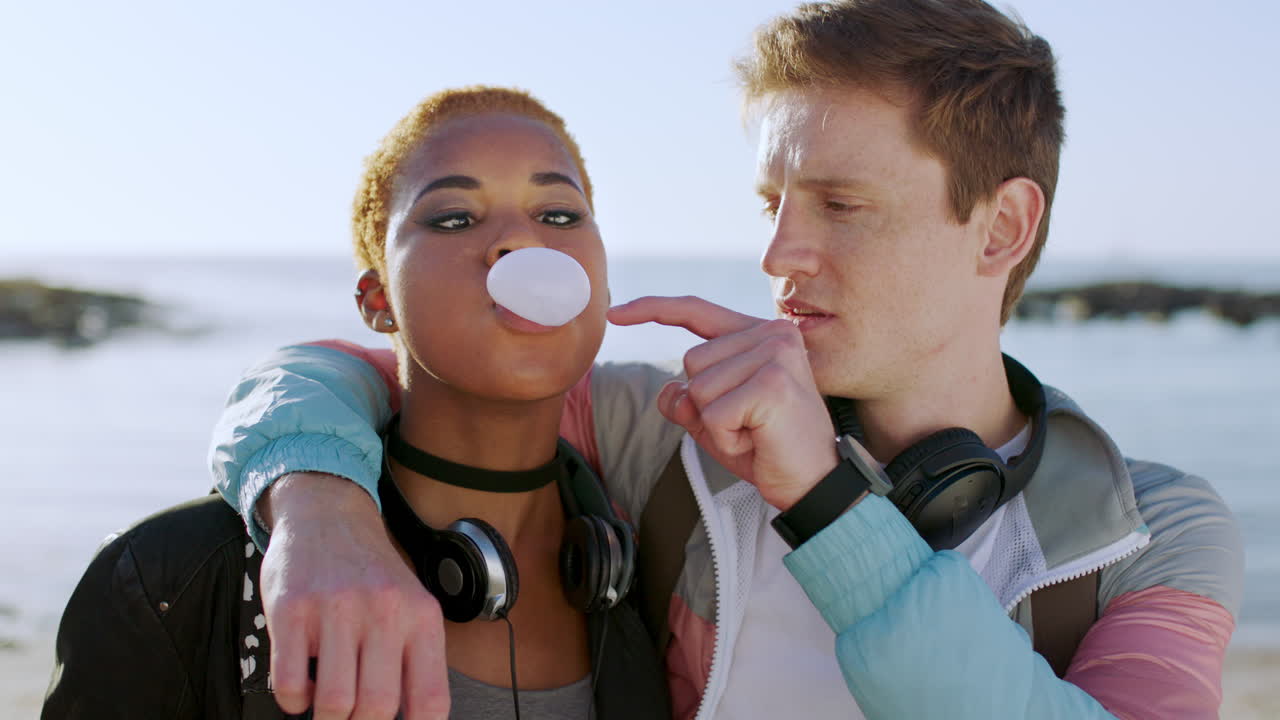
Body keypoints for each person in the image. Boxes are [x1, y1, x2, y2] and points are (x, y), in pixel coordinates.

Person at [206, 1, 1245, 718]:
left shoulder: (1146, 533)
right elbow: (348, 375)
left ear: (1000, 228)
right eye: (771, 204)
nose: (776, 256)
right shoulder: (669, 435)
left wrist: (825, 501)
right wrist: (317, 510)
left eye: (840, 205)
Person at [42, 86, 670, 720]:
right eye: (454, 217)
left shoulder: (677, 553)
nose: (521, 244)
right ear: (378, 301)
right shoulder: (169, 577)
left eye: (559, 215)